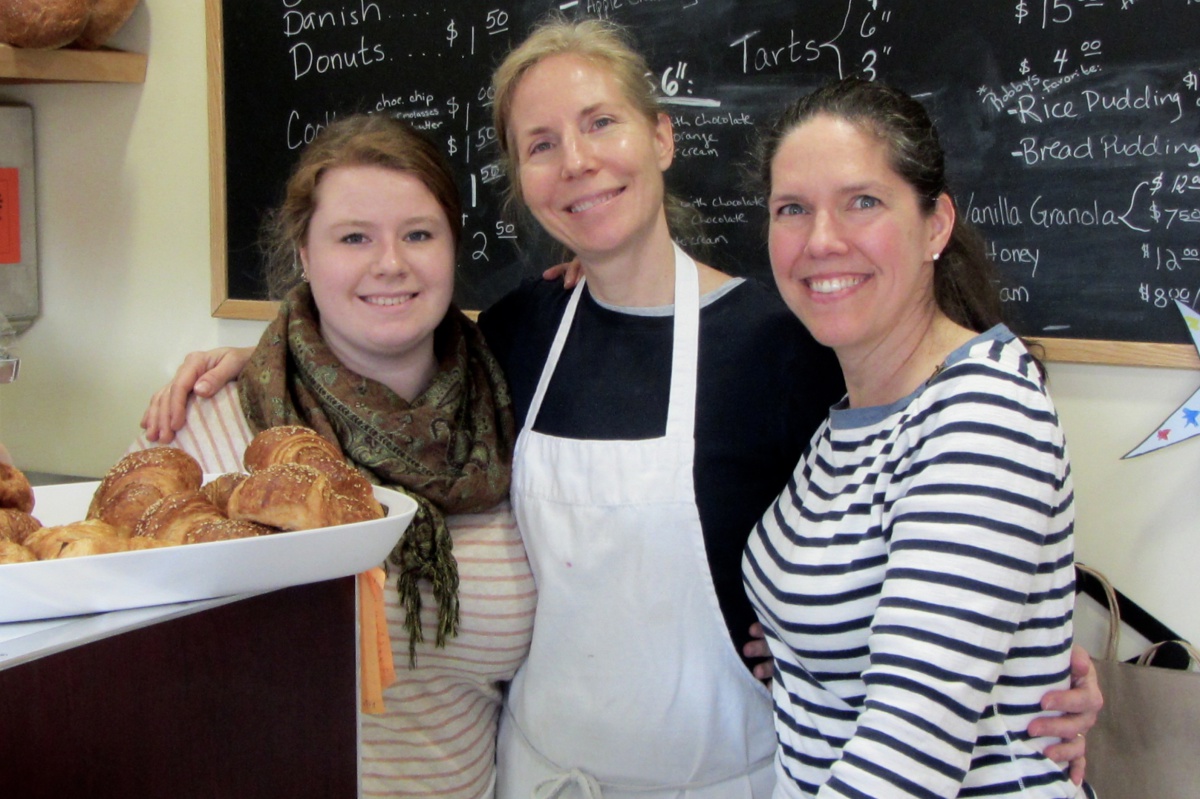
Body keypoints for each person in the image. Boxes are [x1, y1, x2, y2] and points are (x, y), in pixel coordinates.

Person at [141, 17, 1101, 798]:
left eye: (602, 124)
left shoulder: (788, 340)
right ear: (520, 179)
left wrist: (1033, 677)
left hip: (731, 778)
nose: (578, 162)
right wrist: (248, 363)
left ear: (662, 136)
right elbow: (382, 357)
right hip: (536, 775)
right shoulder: (516, 330)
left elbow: (955, 554)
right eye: (541, 144)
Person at [132, 113, 535, 799]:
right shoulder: (201, 434)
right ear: (304, 252)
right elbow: (124, 667)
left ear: (452, 248)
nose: (391, 263)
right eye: (354, 237)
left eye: (418, 234)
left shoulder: (512, 419)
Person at [743, 76, 1087, 798]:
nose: (821, 240)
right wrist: (802, 648)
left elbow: (908, 751)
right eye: (792, 209)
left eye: (862, 201)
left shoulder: (981, 413)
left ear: (935, 225)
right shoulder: (855, 414)